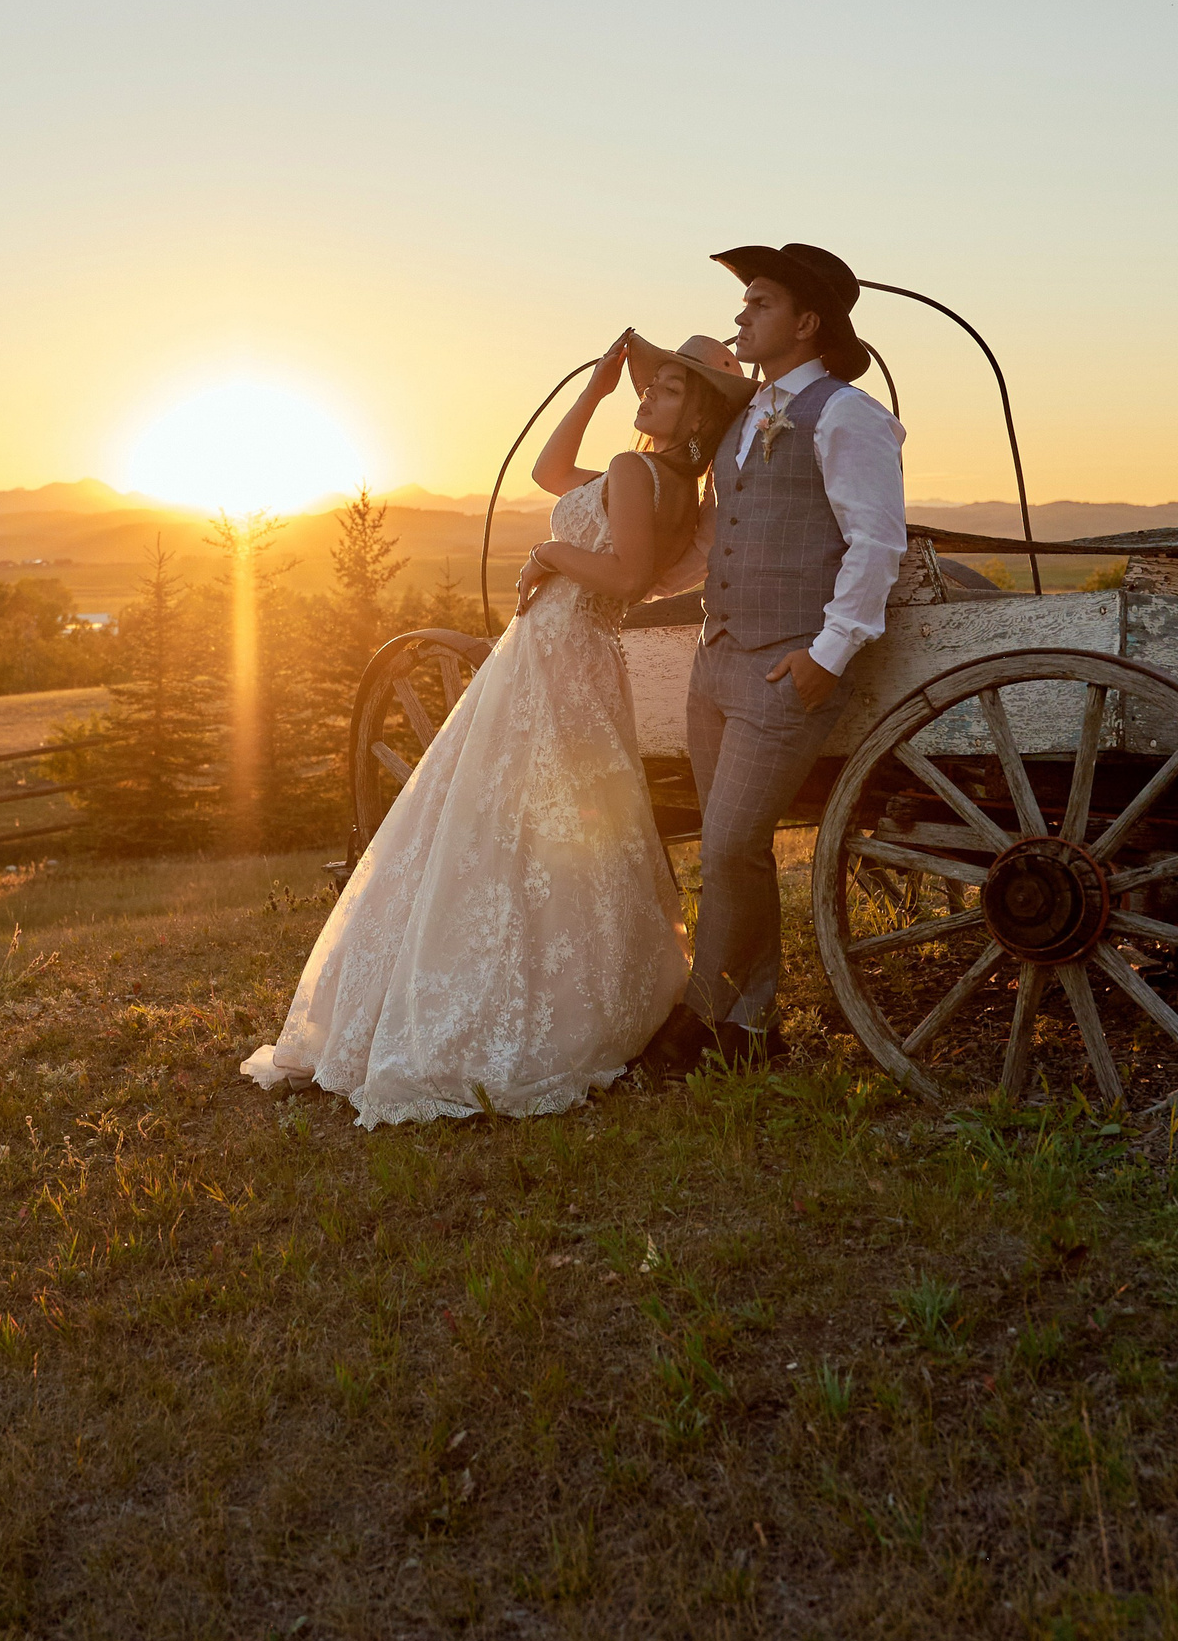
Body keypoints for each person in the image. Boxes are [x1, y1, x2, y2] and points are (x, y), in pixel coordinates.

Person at [242, 332, 756, 1127]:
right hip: (579, 653)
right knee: (550, 819)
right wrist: (593, 390)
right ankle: (589, 997)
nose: (647, 395)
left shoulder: (633, 471)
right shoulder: (667, 484)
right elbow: (550, 474)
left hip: (556, 647)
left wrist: (549, 551)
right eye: (649, 386)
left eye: (669, 391)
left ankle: (487, 1007)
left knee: (505, 816)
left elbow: (623, 574)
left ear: (695, 418)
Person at [638, 244, 908, 1078]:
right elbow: (722, 528)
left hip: (787, 667)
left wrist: (827, 655)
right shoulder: (750, 412)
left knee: (726, 847)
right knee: (738, 852)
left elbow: (876, 542)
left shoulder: (847, 414)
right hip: (718, 662)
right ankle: (751, 1029)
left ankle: (703, 1017)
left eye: (757, 304)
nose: (740, 317)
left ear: (806, 322)